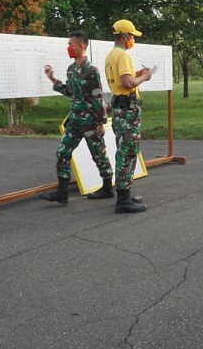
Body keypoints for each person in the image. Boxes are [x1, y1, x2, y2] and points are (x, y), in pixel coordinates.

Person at [40, 30, 114, 204]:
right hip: (74, 121)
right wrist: (52, 79)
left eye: (70, 45)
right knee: (62, 152)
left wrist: (101, 123)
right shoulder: (71, 69)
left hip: (90, 121)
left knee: (98, 154)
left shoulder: (91, 71)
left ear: (81, 46)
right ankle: (62, 193)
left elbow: (98, 97)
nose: (68, 48)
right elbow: (70, 92)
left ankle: (108, 187)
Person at [104, 19, 152, 213]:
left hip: (119, 109)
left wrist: (137, 73)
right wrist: (144, 77)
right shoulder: (122, 56)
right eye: (131, 36)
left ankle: (126, 192)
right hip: (128, 110)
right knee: (128, 151)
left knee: (124, 149)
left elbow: (125, 77)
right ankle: (123, 199)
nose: (133, 39)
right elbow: (127, 83)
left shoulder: (111, 55)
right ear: (125, 37)